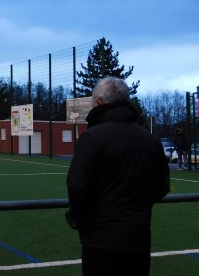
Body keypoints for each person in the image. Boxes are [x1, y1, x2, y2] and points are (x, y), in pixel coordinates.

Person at [65, 77, 170, 276]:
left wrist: (78, 219)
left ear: (99, 102)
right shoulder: (150, 140)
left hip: (100, 240)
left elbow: (77, 186)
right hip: (138, 238)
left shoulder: (92, 137)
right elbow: (162, 186)